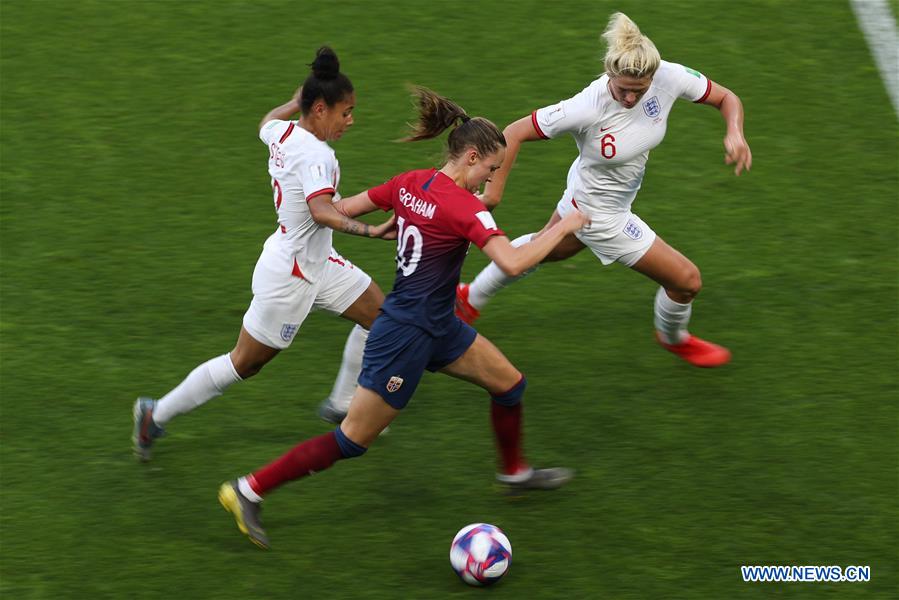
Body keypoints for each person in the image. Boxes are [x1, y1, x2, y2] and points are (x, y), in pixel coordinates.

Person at [217, 87, 591, 549]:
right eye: (490, 171)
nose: (488, 183)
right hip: (405, 336)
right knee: (352, 440)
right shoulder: (464, 206)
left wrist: (373, 228)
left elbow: (336, 210)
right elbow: (512, 263)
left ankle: (514, 473)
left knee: (510, 386)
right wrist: (565, 227)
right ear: (471, 156)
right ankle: (248, 489)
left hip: (439, 325)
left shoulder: (409, 183)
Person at [132, 47, 395, 461]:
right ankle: (154, 414)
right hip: (290, 275)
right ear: (321, 109)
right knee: (245, 363)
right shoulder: (317, 155)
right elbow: (321, 211)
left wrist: (293, 103)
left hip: (317, 261)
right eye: (345, 112)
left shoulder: (284, 132)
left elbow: (266, 122)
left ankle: (344, 404)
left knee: (382, 319)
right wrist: (373, 230)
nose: (351, 121)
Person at [454, 12, 752, 368]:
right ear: (609, 73)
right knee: (687, 281)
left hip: (585, 189)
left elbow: (726, 98)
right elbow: (515, 131)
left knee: (547, 250)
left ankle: (469, 298)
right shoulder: (586, 108)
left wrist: (734, 132)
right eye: (622, 88)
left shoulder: (669, 76)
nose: (628, 98)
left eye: (638, 92)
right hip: (602, 215)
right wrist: (494, 193)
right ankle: (674, 338)